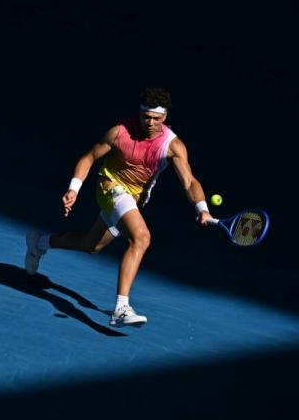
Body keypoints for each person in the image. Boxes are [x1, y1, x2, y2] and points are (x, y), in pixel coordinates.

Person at [25, 88, 213, 328]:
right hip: (109, 186)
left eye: (157, 118)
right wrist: (74, 188)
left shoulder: (172, 145)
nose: (151, 123)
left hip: (133, 200)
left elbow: (189, 181)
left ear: (165, 117)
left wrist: (201, 209)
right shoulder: (119, 132)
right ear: (140, 113)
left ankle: (39, 243)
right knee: (141, 238)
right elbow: (90, 157)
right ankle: (121, 308)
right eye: (146, 117)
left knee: (91, 246)